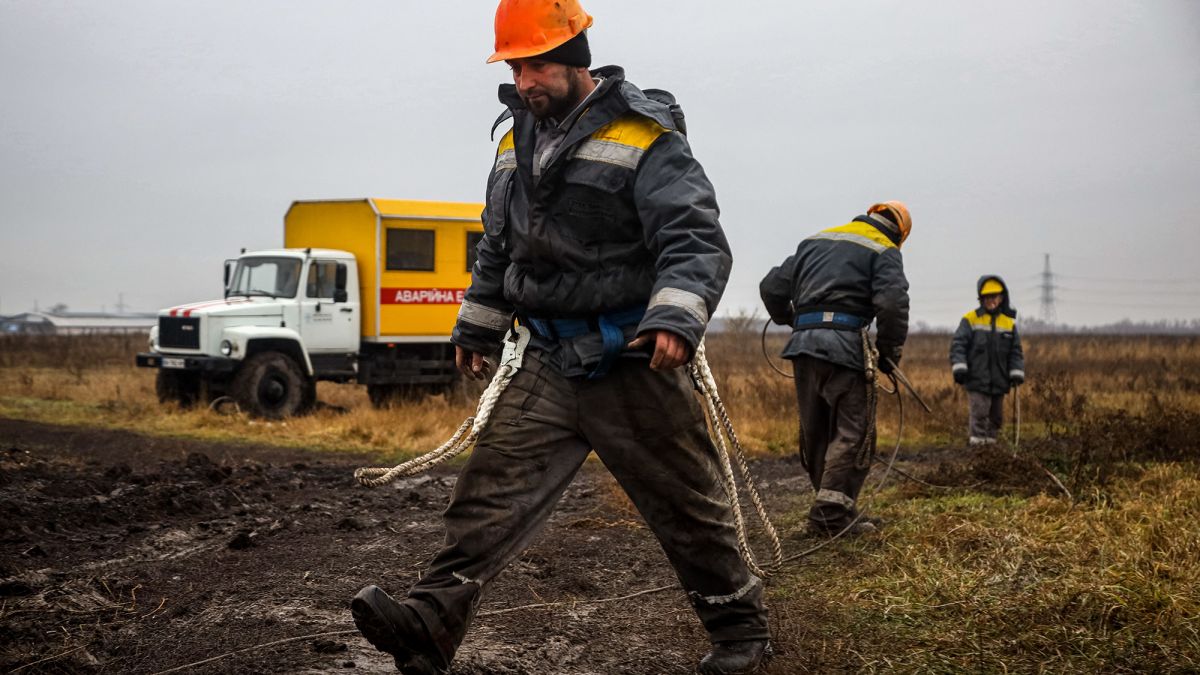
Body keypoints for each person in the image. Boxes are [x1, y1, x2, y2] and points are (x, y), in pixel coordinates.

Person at [349, 1, 770, 673]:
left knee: (687, 505)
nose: (524, 81)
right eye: (515, 67)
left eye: (536, 64)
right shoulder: (512, 137)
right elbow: (500, 244)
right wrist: (478, 320)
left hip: (632, 358)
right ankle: (429, 624)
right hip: (545, 356)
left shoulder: (646, 134)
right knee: (486, 495)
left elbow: (694, 237)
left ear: (575, 57)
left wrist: (674, 318)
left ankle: (741, 633)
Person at [758, 202, 911, 536]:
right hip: (845, 349)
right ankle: (830, 515)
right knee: (855, 431)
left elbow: (770, 286)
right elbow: (892, 303)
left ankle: (835, 508)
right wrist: (888, 355)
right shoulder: (885, 250)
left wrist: (791, 319)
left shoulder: (816, 240)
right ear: (900, 234)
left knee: (816, 431)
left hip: (803, 347)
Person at [949, 276, 1025, 445]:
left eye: (994, 296)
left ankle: (991, 452)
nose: (991, 300)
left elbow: (1015, 351)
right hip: (976, 379)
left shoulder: (1008, 323)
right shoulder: (970, 319)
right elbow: (958, 345)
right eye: (987, 297)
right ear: (981, 298)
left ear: (1001, 298)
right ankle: (977, 452)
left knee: (996, 418)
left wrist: (1016, 372)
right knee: (979, 414)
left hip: (999, 380)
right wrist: (959, 367)